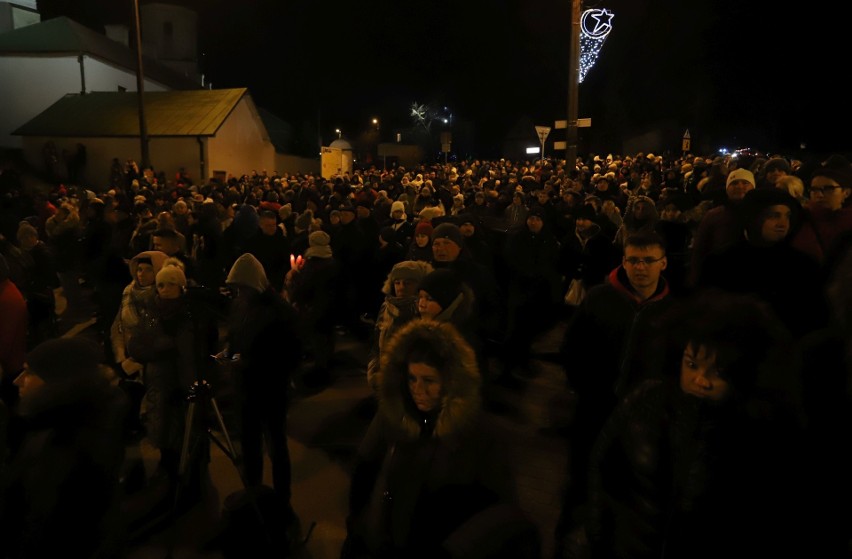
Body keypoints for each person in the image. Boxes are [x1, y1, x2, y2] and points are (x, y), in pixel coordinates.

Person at [564, 290, 804, 559]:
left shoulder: (759, 434)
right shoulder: (646, 399)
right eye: (692, 364)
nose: (700, 380)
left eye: (719, 372)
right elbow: (601, 460)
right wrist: (597, 530)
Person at [341, 319, 539, 559]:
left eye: (429, 381)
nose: (418, 389)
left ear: (450, 382)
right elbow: (365, 468)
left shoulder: (480, 433)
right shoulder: (394, 415)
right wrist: (359, 527)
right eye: (412, 378)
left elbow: (500, 510)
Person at [554, 231, 677, 554]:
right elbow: (573, 347)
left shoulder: (674, 310)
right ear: (623, 261)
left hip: (643, 416)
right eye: (633, 260)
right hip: (595, 406)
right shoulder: (599, 298)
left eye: (648, 260)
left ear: (663, 263)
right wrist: (585, 386)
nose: (640, 267)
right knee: (581, 480)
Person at [0, 337, 128, 558]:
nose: (18, 381)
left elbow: (41, 527)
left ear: (55, 381)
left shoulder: (63, 445)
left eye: (29, 373)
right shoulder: (59, 425)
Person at [217, 252, 303, 548]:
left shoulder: (280, 312)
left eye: (241, 287)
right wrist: (229, 355)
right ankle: (253, 497)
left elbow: (290, 353)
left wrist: (244, 361)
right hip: (246, 389)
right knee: (250, 445)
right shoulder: (243, 304)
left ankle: (282, 502)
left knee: (276, 445)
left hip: (271, 389)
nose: (237, 293)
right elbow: (236, 339)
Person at [366, 260, 434, 392]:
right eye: (397, 283)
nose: (401, 287)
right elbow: (378, 338)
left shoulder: (422, 309)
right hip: (386, 368)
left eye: (408, 283)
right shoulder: (387, 307)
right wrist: (374, 365)